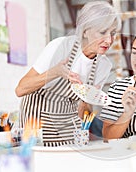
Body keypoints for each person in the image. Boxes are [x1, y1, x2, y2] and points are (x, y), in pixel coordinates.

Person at [15, 1, 121, 146]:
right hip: (36, 122)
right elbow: (20, 89)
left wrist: (89, 101)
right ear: (85, 31)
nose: (109, 40)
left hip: (67, 124)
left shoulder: (103, 65)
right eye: (103, 32)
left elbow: (85, 109)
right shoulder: (60, 47)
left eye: (113, 33)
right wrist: (55, 72)